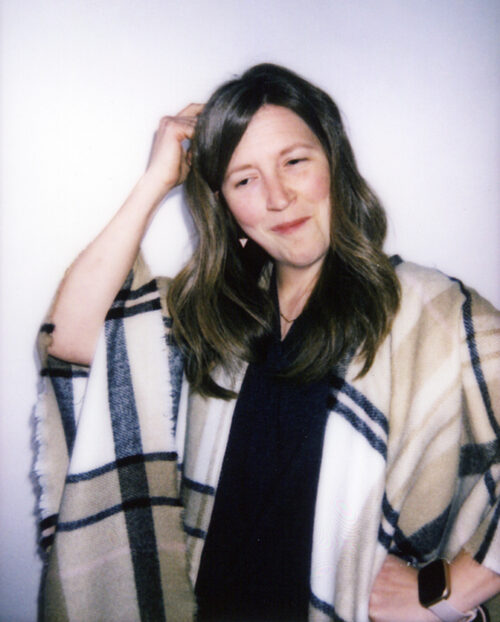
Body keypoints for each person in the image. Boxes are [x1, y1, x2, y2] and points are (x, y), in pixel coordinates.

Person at [35, 64, 499, 622]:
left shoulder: (430, 311)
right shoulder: (215, 320)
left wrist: (450, 588)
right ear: (225, 207)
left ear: (335, 164)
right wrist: (155, 182)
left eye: (295, 162)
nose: (278, 198)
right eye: (244, 180)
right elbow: (71, 337)